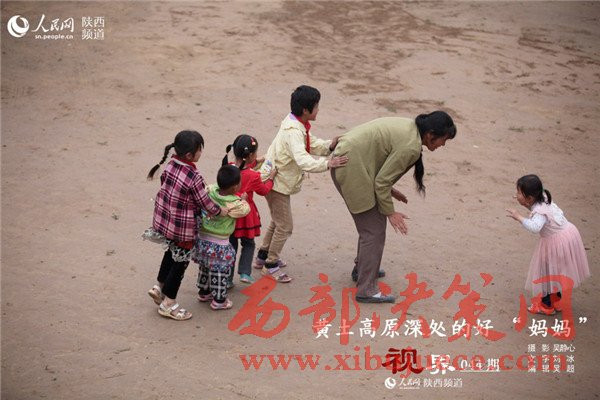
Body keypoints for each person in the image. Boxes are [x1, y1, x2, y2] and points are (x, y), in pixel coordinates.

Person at [331, 111, 456, 303]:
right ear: (430, 135)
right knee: (373, 230)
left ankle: (362, 270)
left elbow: (379, 165)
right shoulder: (411, 146)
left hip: (350, 160)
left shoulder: (410, 129)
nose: (443, 145)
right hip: (350, 166)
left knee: (372, 225)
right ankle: (366, 290)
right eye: (443, 140)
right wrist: (391, 212)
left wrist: (391, 191)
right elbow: (381, 182)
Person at [255, 85, 348, 282]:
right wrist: (328, 163)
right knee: (285, 226)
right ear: (306, 110)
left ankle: (263, 255)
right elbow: (303, 159)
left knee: (278, 221)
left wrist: (329, 145)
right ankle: (270, 264)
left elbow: (310, 143)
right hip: (277, 183)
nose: (318, 109)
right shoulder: (294, 131)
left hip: (275, 179)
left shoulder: (295, 123)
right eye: (316, 106)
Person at [143, 130, 228, 321]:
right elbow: (204, 201)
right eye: (200, 150)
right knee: (180, 262)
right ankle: (169, 303)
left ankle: (159, 287)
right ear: (190, 155)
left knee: (170, 253)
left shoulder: (170, 164)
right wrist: (219, 210)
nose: (201, 153)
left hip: (167, 221)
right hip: (183, 227)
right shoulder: (193, 176)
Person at [506, 174, 590, 315]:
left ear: (529, 198)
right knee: (555, 271)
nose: (516, 195)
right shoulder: (543, 197)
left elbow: (535, 227)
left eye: (519, 193)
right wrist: (525, 202)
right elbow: (536, 211)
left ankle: (546, 305)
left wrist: (518, 217)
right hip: (567, 236)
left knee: (547, 272)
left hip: (556, 242)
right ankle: (557, 301)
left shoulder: (539, 212)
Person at [223, 134, 277, 286]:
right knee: (248, 244)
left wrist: (257, 161)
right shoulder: (253, 176)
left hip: (230, 215)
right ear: (251, 155)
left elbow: (241, 168)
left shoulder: (228, 168)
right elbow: (263, 190)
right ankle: (245, 272)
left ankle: (227, 279)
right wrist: (271, 178)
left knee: (231, 246)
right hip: (246, 216)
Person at [194, 165, 250, 310]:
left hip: (204, 236)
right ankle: (219, 300)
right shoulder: (234, 202)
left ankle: (204, 292)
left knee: (205, 266)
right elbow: (245, 210)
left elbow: (209, 187)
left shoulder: (211, 191)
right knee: (219, 270)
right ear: (235, 187)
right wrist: (243, 200)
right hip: (219, 241)